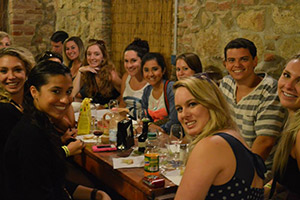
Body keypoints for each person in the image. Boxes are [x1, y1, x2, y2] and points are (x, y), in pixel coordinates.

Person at [3, 60, 111, 200]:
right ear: (34, 92)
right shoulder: (30, 134)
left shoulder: (42, 123)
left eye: (68, 92)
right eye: (56, 91)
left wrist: (94, 194)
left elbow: (52, 182)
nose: (65, 100)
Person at [174, 75, 266, 199]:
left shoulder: (211, 145)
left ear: (211, 102)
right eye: (179, 109)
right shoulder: (232, 135)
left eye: (192, 104)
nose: (184, 115)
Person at [219, 38, 287, 173]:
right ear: (225, 64)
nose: (237, 65)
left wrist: (242, 174)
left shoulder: (270, 89)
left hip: (260, 169)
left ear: (255, 61)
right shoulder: (226, 83)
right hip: (229, 160)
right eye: (231, 60)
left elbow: (265, 142)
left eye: (244, 59)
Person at [0, 46, 35, 197]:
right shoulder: (4, 111)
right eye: (3, 71)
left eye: (17, 70)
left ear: (27, 73)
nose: (11, 76)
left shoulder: (28, 104)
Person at [264, 54, 300, 199]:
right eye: (286, 75)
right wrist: (264, 190)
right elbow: (289, 177)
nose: (288, 86)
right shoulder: (291, 119)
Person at [72, 39, 122, 104]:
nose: (92, 58)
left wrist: (109, 106)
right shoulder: (86, 72)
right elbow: (72, 93)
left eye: (96, 54)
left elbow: (125, 95)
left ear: (103, 57)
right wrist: (79, 71)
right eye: (89, 54)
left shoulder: (111, 74)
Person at [141, 52, 179, 133]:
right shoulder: (147, 91)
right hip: (152, 135)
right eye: (146, 70)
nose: (150, 74)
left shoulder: (171, 88)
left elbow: (174, 121)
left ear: (163, 70)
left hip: (171, 136)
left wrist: (157, 130)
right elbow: (144, 117)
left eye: (155, 69)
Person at [120, 38, 149, 119]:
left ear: (143, 60)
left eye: (133, 61)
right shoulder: (126, 77)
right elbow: (122, 104)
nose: (129, 65)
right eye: (126, 61)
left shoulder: (151, 81)